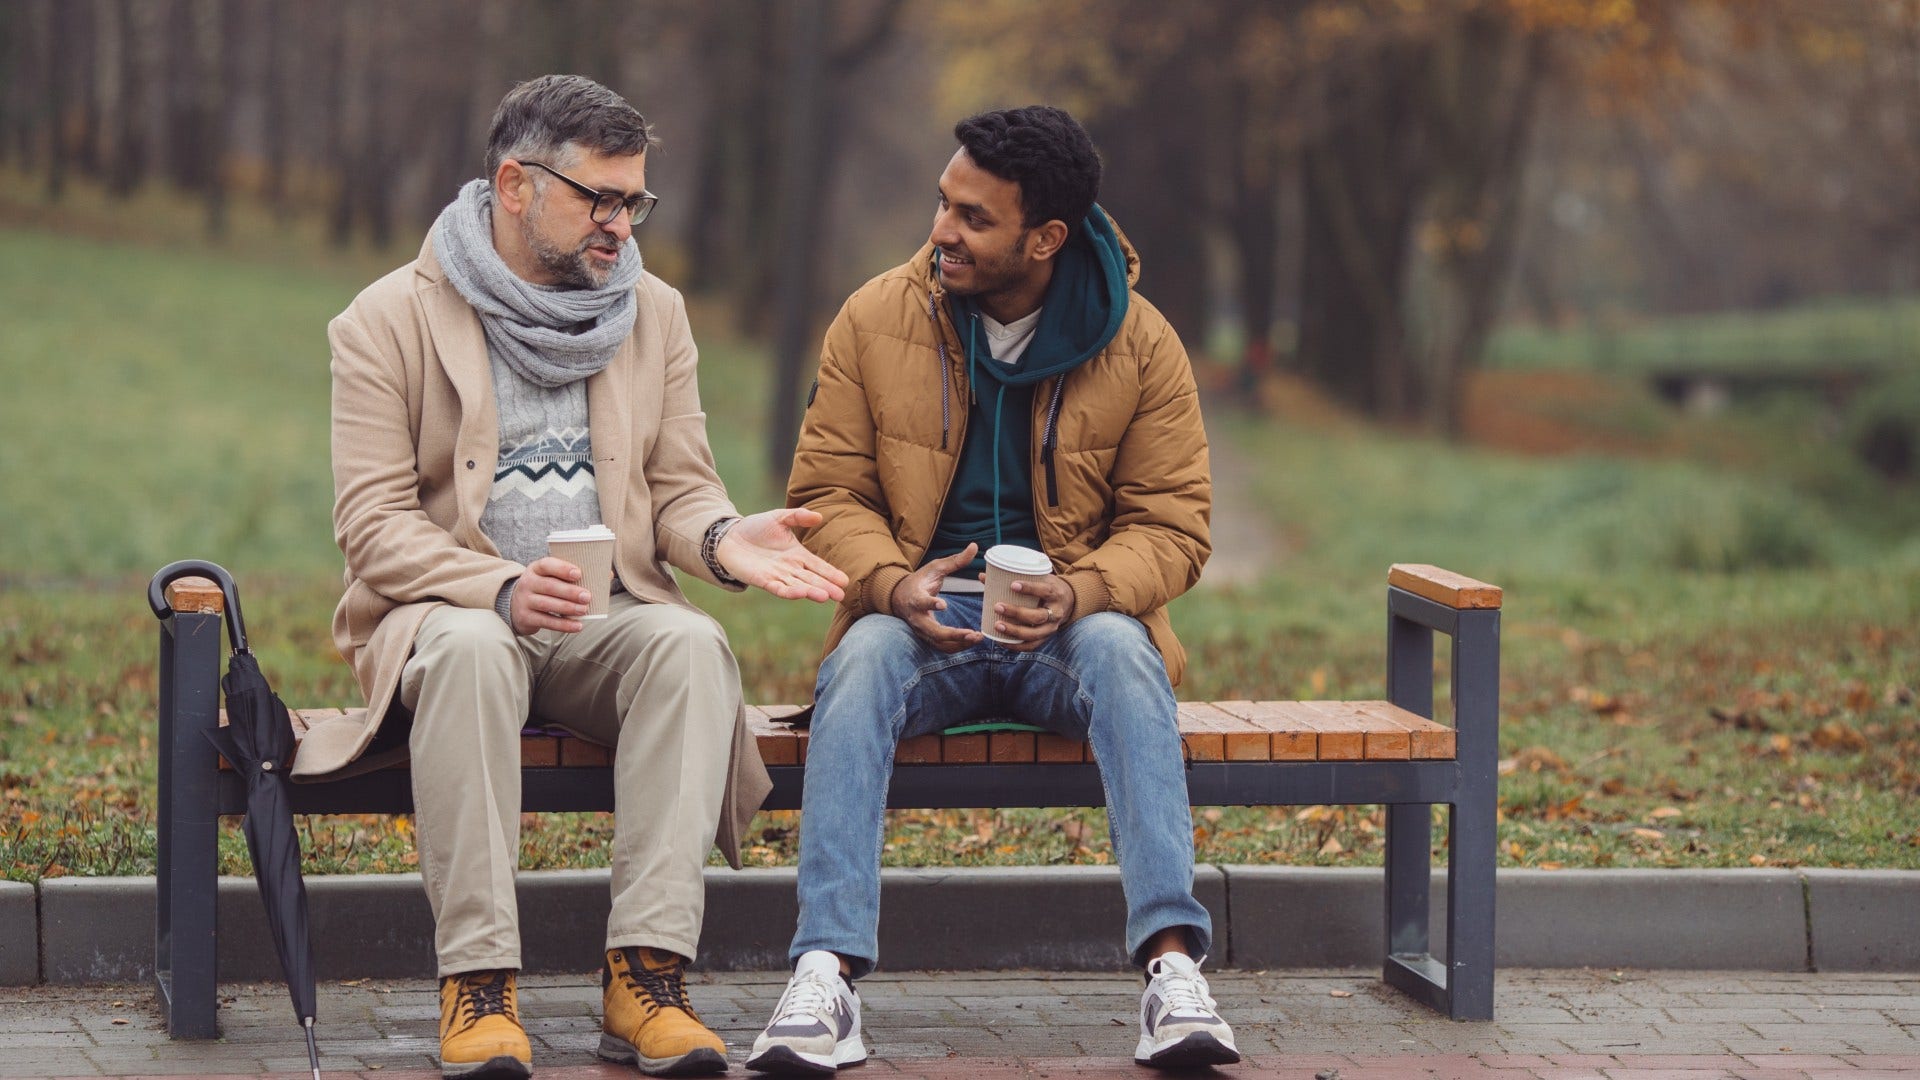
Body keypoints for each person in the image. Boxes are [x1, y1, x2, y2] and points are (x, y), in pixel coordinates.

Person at [313, 75, 848, 1080]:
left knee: (689, 644)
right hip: (452, 617)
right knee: (473, 651)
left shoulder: (654, 313)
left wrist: (723, 539)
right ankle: (478, 984)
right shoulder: (385, 319)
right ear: (515, 185)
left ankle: (647, 977)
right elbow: (373, 527)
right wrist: (499, 590)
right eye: (599, 198)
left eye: (634, 201)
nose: (620, 223)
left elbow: (681, 488)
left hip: (606, 618)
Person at [747, 106, 1236, 1073]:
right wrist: (893, 584)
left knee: (1124, 651)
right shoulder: (875, 317)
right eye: (943, 203)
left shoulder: (1141, 342)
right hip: (921, 619)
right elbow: (827, 495)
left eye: (974, 218)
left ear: (1045, 238)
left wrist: (1084, 591)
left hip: (1069, 626)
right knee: (862, 658)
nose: (943, 231)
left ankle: (1175, 974)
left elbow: (1174, 524)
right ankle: (823, 977)